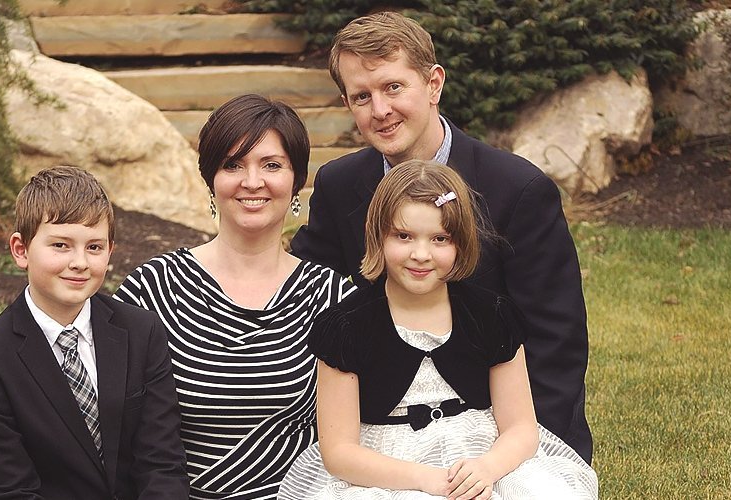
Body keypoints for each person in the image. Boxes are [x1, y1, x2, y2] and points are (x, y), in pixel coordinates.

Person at [289, 11, 593, 462]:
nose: (380, 110)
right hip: (380, 430)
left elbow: (556, 343)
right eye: (361, 96)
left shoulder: (518, 190)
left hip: (497, 429)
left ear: (434, 84)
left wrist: (535, 461)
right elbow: (306, 294)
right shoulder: (338, 185)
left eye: (394, 87)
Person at [279, 160, 596, 499]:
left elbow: (521, 428)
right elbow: (339, 453)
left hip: (481, 460)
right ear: (377, 236)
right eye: (403, 236)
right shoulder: (346, 328)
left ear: (460, 243)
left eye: (440, 239)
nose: (421, 254)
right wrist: (426, 480)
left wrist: (487, 468)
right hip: (390, 472)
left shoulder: (492, 316)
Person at [115, 94, 355, 499]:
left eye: (272, 165)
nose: (252, 181)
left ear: (297, 181)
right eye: (233, 165)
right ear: (211, 179)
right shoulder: (152, 288)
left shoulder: (333, 298)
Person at [0, 166, 189, 499]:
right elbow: (10, 489)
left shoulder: (141, 332)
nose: (79, 262)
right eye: (61, 245)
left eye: (94, 247)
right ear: (21, 250)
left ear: (110, 252)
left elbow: (161, 463)